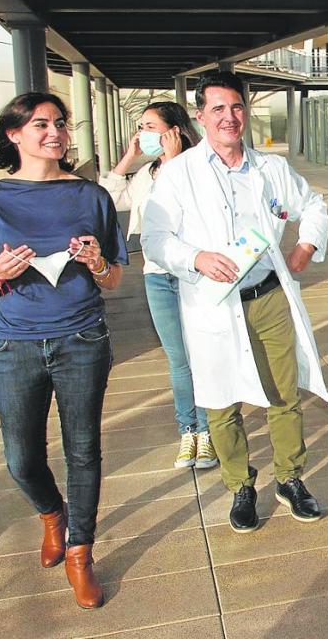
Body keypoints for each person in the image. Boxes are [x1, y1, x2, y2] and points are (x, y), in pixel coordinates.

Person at [142, 72, 328, 534]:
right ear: (201, 116)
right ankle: (240, 486)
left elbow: (314, 206)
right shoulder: (178, 173)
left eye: (237, 108)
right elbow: (154, 239)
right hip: (212, 303)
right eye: (219, 109)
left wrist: (306, 245)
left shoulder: (270, 169)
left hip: (267, 297)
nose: (230, 117)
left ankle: (289, 478)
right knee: (220, 400)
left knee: (284, 394)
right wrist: (196, 258)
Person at [0, 93, 127, 608]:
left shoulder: (90, 195)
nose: (55, 132)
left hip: (82, 338)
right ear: (13, 134)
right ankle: (52, 513)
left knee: (83, 451)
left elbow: (115, 279)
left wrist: (98, 263)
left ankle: (81, 552)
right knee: (21, 458)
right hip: (16, 344)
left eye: (60, 123)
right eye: (41, 124)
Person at [101, 101, 215, 471]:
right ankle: (189, 430)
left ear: (175, 130)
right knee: (178, 360)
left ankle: (209, 431)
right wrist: (128, 157)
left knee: (202, 355)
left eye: (150, 127)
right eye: (140, 127)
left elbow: (197, 210)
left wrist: (176, 160)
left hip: (194, 273)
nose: (142, 134)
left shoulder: (200, 165)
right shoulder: (147, 173)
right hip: (157, 275)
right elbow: (110, 198)